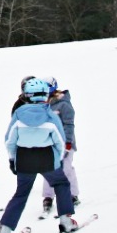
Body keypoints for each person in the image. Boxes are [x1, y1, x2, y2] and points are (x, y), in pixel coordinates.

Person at [0, 78, 78, 233]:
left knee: (20, 194)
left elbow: (10, 140)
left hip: (24, 159)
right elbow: (60, 141)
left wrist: (13, 159)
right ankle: (65, 221)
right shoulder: (50, 114)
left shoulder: (18, 114)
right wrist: (58, 159)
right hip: (47, 157)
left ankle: (5, 232)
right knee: (61, 183)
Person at [41, 77, 80, 214]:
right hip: (49, 144)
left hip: (65, 143)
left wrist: (68, 142)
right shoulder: (43, 104)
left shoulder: (63, 104)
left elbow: (69, 124)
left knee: (66, 168)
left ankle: (73, 194)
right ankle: (48, 196)